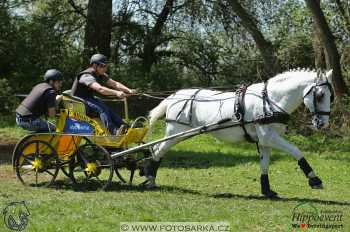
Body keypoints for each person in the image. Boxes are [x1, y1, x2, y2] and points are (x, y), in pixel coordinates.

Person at [71, 53, 135, 135]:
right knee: (102, 109)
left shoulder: (100, 74)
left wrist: (128, 90)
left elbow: (115, 84)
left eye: (105, 66)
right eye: (102, 66)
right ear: (94, 65)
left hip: (89, 99)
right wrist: (117, 93)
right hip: (79, 102)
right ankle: (114, 131)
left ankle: (126, 128)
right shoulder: (86, 75)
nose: (105, 68)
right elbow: (100, 89)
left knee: (108, 109)